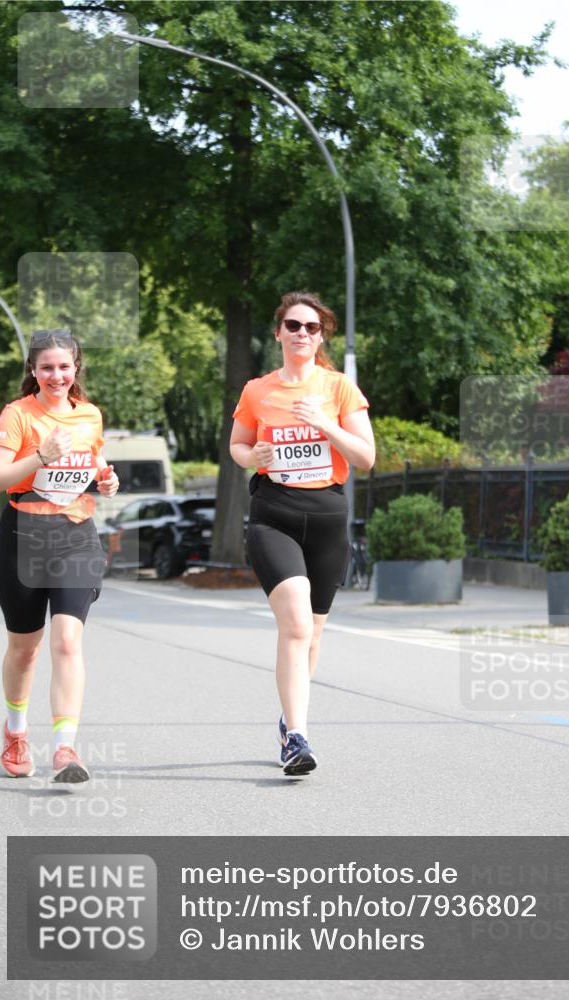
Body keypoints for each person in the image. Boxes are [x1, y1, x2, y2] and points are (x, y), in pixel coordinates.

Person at [230, 292, 375, 775]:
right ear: (278, 333)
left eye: (311, 328)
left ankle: (289, 718)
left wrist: (325, 426)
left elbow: (365, 457)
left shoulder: (339, 389)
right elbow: (238, 444)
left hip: (328, 514)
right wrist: (252, 458)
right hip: (275, 513)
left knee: (312, 635)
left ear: (321, 336)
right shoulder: (258, 391)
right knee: (294, 625)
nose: (301, 334)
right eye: (293, 325)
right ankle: (297, 737)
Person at [0, 329, 119, 783]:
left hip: (76, 535)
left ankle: (65, 748)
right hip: (23, 536)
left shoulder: (90, 416)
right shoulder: (18, 415)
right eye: (47, 367)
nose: (56, 375)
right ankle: (16, 731)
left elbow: (92, 464)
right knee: (25, 650)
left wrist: (105, 480)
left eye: (64, 367)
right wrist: (40, 455)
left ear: (76, 368)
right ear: (33, 371)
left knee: (67, 641)